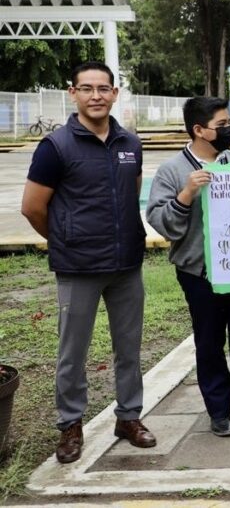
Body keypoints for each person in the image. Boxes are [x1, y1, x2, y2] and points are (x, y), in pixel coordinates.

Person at [20, 61, 155, 464]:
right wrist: (64, 240)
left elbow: (131, 196)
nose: (96, 95)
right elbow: (32, 207)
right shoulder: (56, 147)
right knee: (72, 353)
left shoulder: (131, 143)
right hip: (78, 268)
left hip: (127, 265)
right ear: (72, 93)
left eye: (103, 88)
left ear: (115, 93)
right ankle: (70, 425)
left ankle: (128, 417)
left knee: (129, 348)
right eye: (87, 88)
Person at [146, 96, 230, 442]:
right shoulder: (173, 171)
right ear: (199, 130)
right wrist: (186, 194)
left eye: (228, 123)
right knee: (209, 343)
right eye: (221, 125)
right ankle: (218, 412)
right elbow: (162, 223)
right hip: (199, 274)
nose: (228, 130)